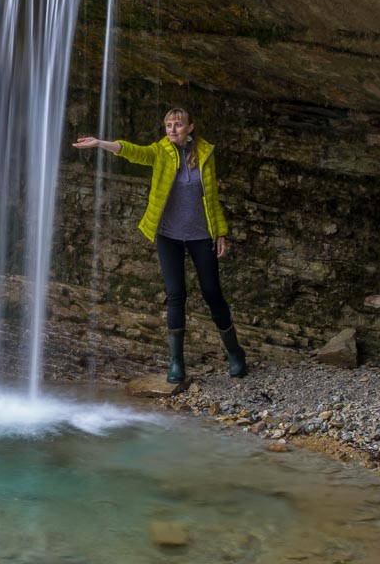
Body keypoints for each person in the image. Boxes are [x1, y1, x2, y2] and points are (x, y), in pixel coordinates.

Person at [73, 107, 248, 382]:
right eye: (168, 125)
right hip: (168, 235)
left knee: (212, 292)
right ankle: (176, 363)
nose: (172, 130)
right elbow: (133, 151)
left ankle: (236, 352)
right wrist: (100, 143)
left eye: (178, 125)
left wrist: (221, 233)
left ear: (190, 127)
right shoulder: (160, 151)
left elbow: (212, 196)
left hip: (202, 235)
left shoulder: (205, 154)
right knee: (176, 294)